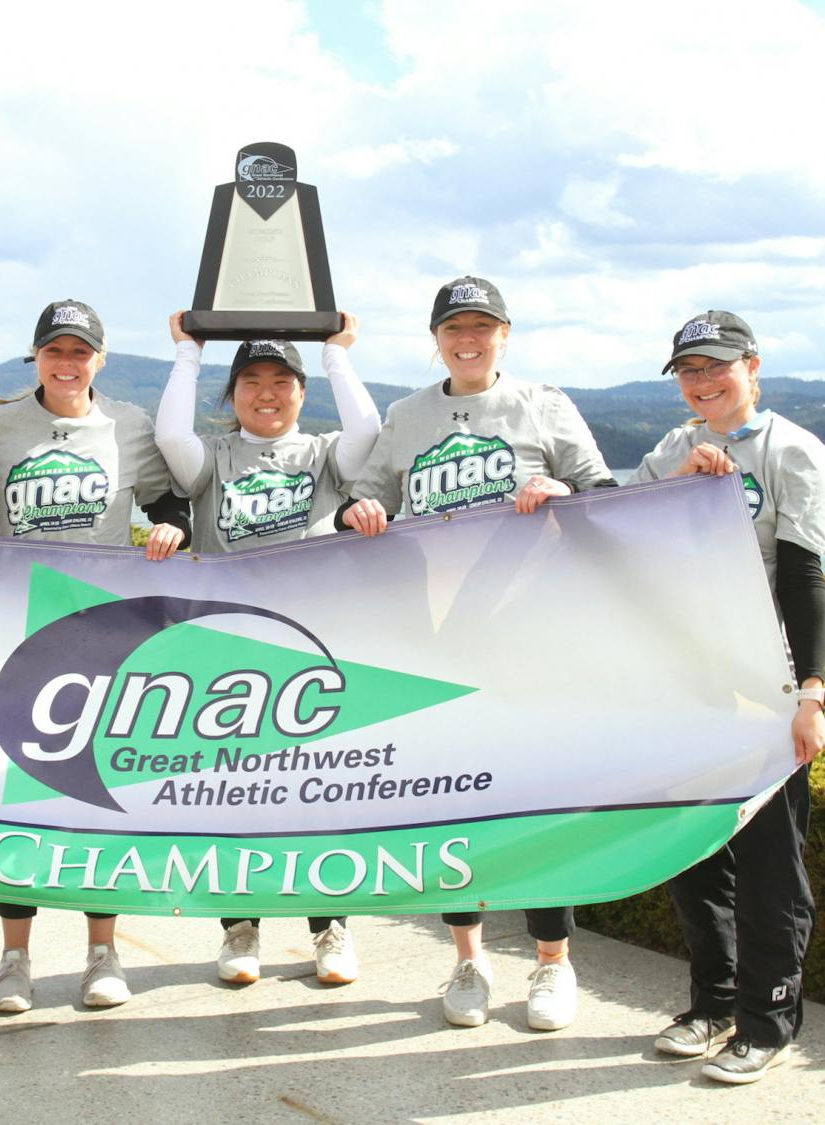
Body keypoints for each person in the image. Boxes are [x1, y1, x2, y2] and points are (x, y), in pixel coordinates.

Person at [340, 275, 615, 1032]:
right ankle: (468, 960)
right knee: (452, 803)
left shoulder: (543, 404)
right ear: (436, 339)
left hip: (530, 639)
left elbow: (606, 493)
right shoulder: (407, 415)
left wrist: (563, 492)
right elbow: (364, 497)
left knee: (538, 800)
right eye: (455, 328)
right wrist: (359, 511)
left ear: (505, 334)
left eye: (482, 327)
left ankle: (553, 961)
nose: (469, 340)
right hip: (436, 642)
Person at [0, 298, 189, 1012]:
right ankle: (14, 958)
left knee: (98, 796)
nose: (67, 363)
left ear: (100, 359)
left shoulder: (129, 425)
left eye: (80, 352)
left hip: (104, 635)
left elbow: (170, 501)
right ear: (35, 357)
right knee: (18, 797)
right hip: (17, 631)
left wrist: (172, 530)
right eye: (55, 350)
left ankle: (102, 952)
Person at [155, 311, 381, 987]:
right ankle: (240, 927)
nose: (267, 392)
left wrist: (337, 352)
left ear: (302, 392)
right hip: (228, 652)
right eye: (251, 380)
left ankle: (329, 927)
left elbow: (367, 430)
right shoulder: (212, 458)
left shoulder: (326, 454)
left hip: (313, 650)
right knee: (233, 795)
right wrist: (187, 352)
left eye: (282, 380)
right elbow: (170, 435)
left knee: (318, 794)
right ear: (232, 394)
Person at [633, 310, 824, 1084]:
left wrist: (813, 692)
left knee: (771, 861)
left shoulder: (793, 451)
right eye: (689, 370)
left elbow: (808, 577)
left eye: (716, 366)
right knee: (697, 852)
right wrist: (672, 489)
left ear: (753, 366)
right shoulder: (669, 450)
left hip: (768, 688)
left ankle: (767, 1019)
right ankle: (711, 1004)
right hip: (690, 687)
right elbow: (615, 536)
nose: (703, 382)